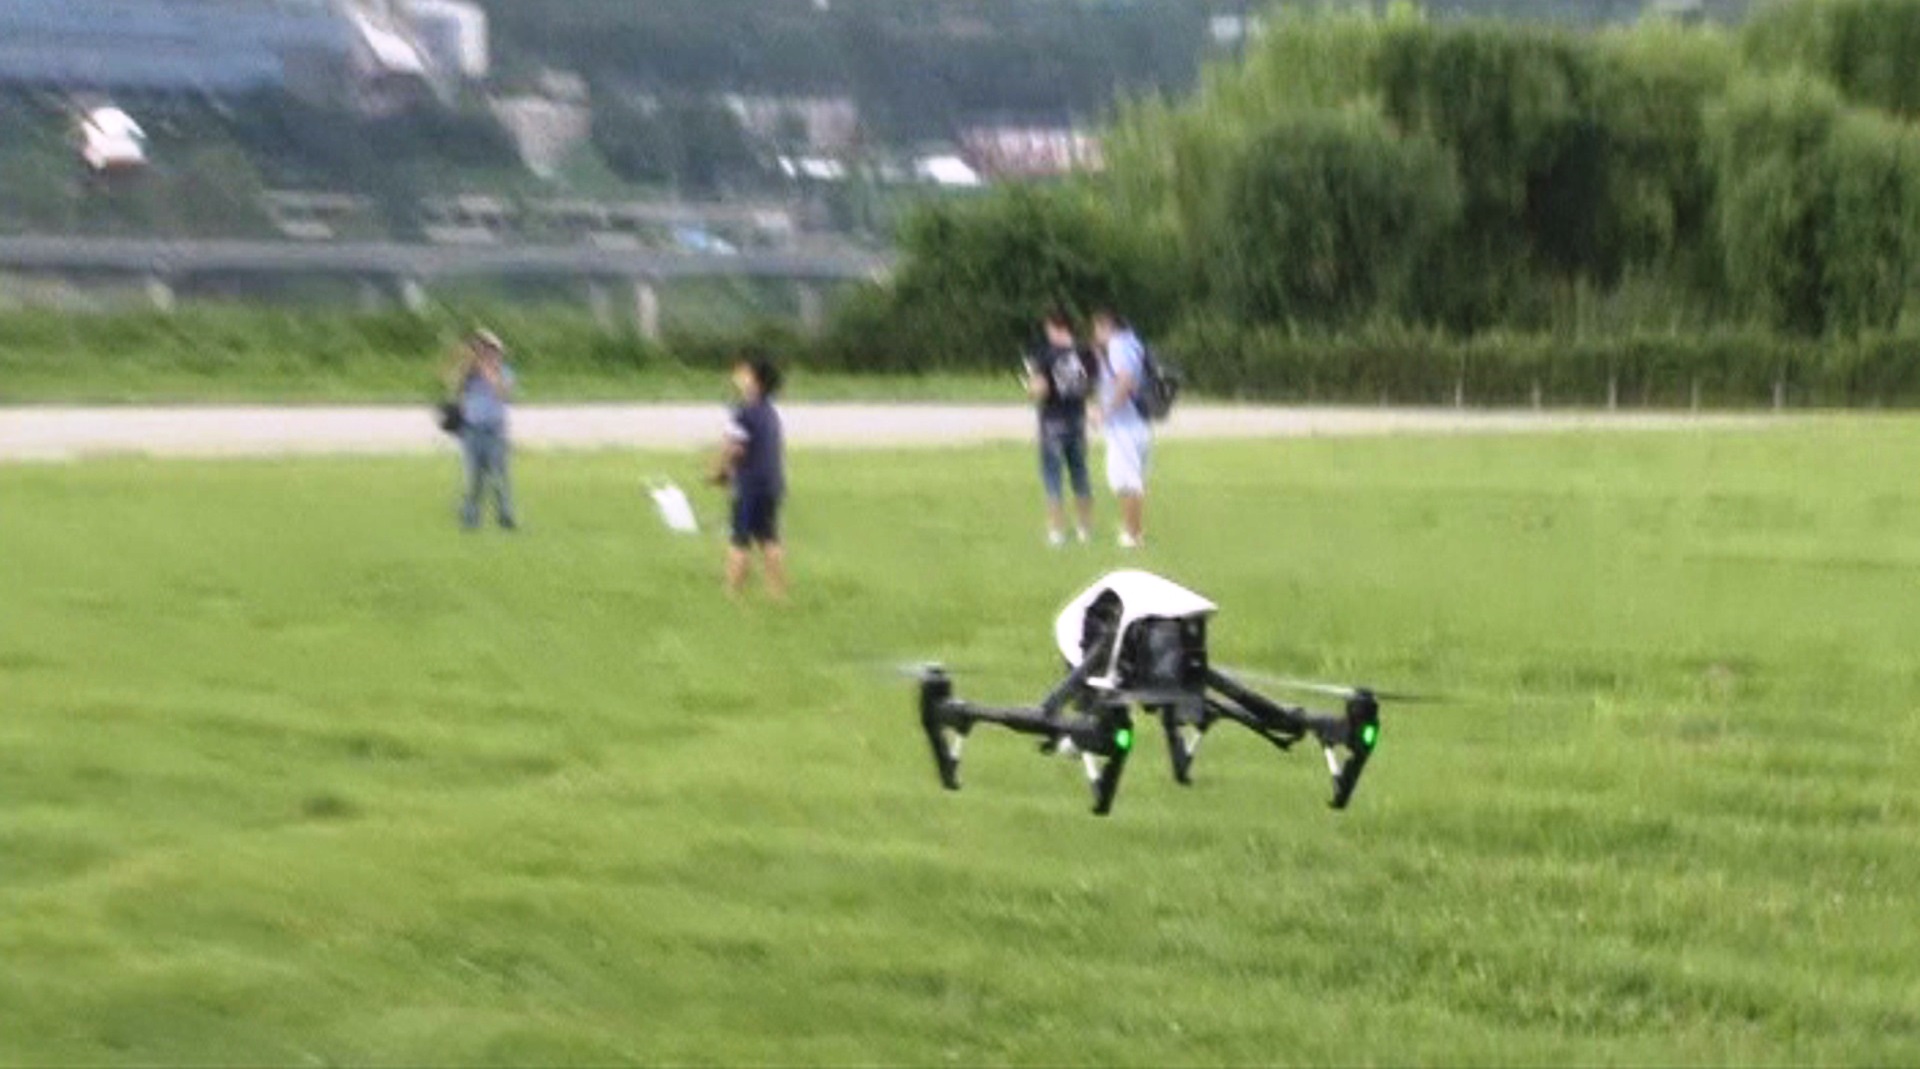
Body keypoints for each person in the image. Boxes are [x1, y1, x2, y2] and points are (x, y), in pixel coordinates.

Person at [715, 354, 787, 599]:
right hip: (772, 484)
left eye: (744, 372)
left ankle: (732, 591)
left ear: (756, 381)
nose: (738, 375)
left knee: (740, 539)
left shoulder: (743, 413)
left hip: (749, 486)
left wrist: (721, 470)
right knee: (769, 537)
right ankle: (776, 591)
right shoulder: (770, 412)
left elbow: (735, 448)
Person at [1025, 308, 1095, 546]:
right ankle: (1084, 529)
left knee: (1053, 479)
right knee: (1080, 476)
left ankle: (1057, 532)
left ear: (1052, 327)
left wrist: (1030, 387)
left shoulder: (1045, 354)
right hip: (1077, 420)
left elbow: (1040, 389)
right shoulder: (1084, 353)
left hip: (1053, 422)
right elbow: (1088, 386)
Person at [442, 329, 517, 531]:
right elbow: (453, 385)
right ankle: (470, 518)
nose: (486, 354)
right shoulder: (469, 374)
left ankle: (506, 517)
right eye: (483, 350)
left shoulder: (504, 372)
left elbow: (503, 393)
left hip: (495, 431)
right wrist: (466, 364)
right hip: (472, 430)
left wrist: (490, 370)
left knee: (499, 476)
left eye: (491, 350)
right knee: (474, 478)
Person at [1092, 308, 1151, 548]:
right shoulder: (1134, 343)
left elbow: (1125, 381)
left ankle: (1132, 534)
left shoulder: (1117, 346)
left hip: (1124, 423)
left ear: (1106, 326)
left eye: (1097, 329)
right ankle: (1133, 527)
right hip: (1139, 421)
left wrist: (1105, 411)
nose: (1095, 334)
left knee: (1126, 480)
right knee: (1132, 477)